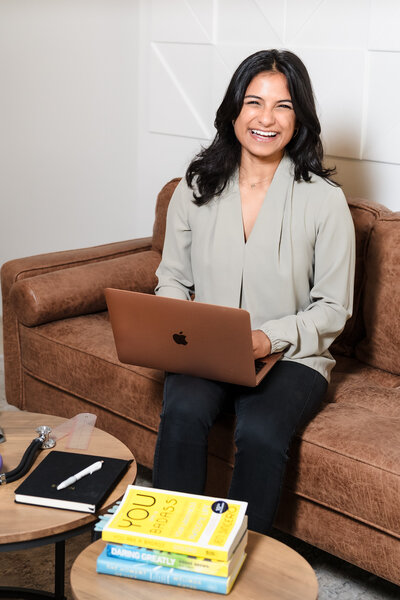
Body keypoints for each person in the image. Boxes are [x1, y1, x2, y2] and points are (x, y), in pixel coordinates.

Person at [152, 49, 355, 534]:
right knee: (181, 409)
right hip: (207, 348)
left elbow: (333, 307)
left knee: (262, 432)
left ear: (299, 117)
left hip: (292, 356)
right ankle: (166, 543)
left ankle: (244, 559)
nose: (266, 118)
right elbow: (172, 278)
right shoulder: (196, 187)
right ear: (234, 111)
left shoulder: (326, 203)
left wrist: (270, 339)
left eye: (283, 106)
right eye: (254, 102)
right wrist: (176, 328)